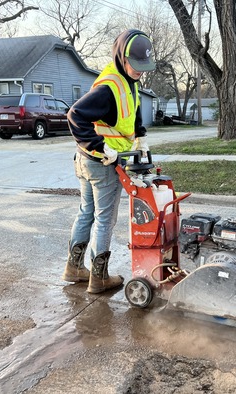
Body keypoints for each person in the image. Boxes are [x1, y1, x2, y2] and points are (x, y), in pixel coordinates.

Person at [62, 29, 156, 294]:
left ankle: (74, 267)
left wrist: (141, 138)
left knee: (86, 213)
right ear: (121, 57)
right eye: (135, 66)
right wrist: (100, 147)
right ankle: (99, 277)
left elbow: (132, 114)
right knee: (104, 220)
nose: (139, 71)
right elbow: (75, 115)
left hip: (85, 161)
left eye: (142, 67)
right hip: (101, 163)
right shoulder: (109, 87)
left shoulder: (129, 82)